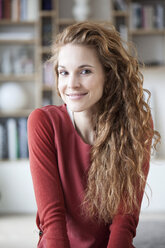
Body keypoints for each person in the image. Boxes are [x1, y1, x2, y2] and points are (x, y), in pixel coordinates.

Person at [27, 21, 160, 248]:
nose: (71, 84)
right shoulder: (43, 122)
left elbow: (124, 221)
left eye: (85, 71)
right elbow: (53, 220)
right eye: (63, 72)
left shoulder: (136, 125)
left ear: (109, 75)